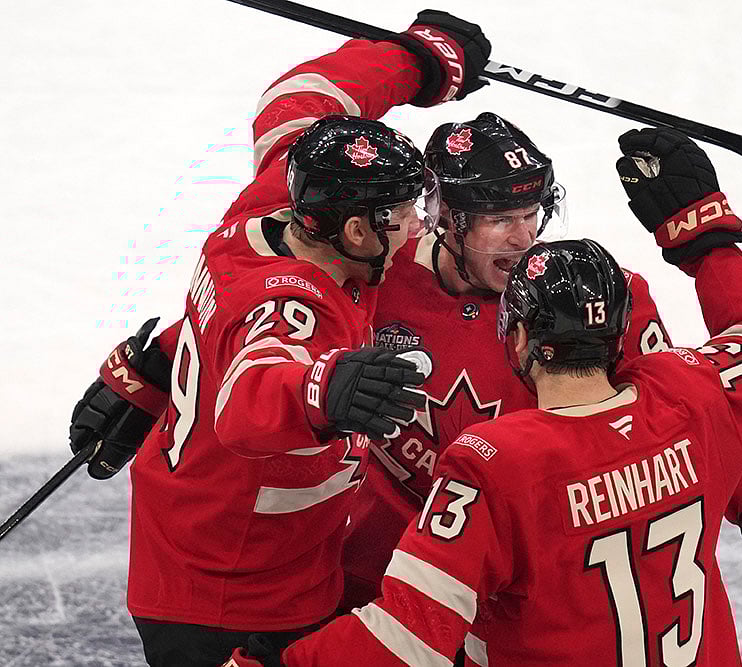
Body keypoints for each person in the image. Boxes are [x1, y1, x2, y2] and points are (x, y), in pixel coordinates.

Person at [224, 127, 742, 667]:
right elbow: (265, 320)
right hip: (377, 584)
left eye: (532, 215)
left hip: (514, 604)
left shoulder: (584, 304)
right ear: (445, 215)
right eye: (500, 219)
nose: (523, 237)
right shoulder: (377, 270)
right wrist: (161, 361)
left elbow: (669, 423)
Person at [66, 10, 492, 666]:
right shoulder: (293, 308)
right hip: (232, 602)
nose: (418, 227)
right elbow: (252, 392)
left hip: (226, 550)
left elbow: (302, 98)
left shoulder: (281, 201)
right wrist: (323, 390)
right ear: (356, 231)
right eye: (404, 214)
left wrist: (422, 61)